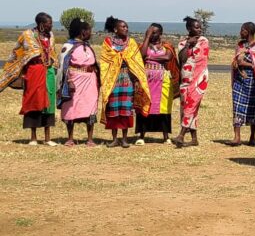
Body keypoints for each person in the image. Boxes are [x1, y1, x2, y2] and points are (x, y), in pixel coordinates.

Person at [0, 13, 58, 145]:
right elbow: (17, 52)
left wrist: (52, 62)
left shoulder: (51, 36)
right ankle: (33, 137)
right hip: (33, 71)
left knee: (49, 103)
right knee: (33, 101)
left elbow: (53, 53)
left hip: (48, 72)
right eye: (49, 23)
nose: (51, 26)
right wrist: (20, 71)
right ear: (41, 24)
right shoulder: (27, 35)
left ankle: (47, 138)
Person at [99, 16, 150, 147]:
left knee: (126, 109)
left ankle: (125, 139)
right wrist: (120, 57)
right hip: (113, 79)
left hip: (127, 78)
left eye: (126, 26)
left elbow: (136, 61)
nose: (126, 28)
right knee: (113, 108)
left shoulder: (131, 43)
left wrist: (137, 79)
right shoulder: (107, 42)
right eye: (123, 26)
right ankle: (114, 138)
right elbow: (105, 60)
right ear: (115, 29)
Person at [57, 18, 100, 146]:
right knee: (71, 107)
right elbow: (63, 67)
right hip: (74, 82)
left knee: (91, 106)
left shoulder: (88, 46)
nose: (91, 33)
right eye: (89, 30)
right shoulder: (68, 47)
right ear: (83, 32)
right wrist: (69, 81)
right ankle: (70, 138)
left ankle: (90, 139)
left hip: (90, 81)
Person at [136, 23, 179, 145]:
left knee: (164, 108)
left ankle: (165, 137)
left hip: (163, 80)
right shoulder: (144, 45)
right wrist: (147, 37)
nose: (152, 34)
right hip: (146, 80)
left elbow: (167, 58)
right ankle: (141, 136)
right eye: (150, 32)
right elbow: (141, 55)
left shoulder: (167, 46)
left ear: (160, 33)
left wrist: (150, 58)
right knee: (145, 106)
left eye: (154, 32)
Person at [172, 16, 210, 148]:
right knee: (186, 107)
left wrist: (193, 45)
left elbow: (200, 59)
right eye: (196, 27)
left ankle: (181, 135)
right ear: (189, 28)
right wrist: (189, 44)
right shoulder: (182, 43)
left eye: (200, 27)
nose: (199, 29)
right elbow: (182, 59)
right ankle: (194, 139)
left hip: (199, 80)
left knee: (191, 105)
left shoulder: (204, 41)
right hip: (185, 79)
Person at [229, 22, 255, 146]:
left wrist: (248, 64)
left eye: (242, 30)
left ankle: (252, 137)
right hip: (239, 81)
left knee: (253, 108)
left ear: (248, 32)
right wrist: (239, 63)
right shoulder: (240, 45)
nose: (240, 32)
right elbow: (237, 61)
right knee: (237, 107)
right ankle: (237, 137)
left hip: (253, 82)